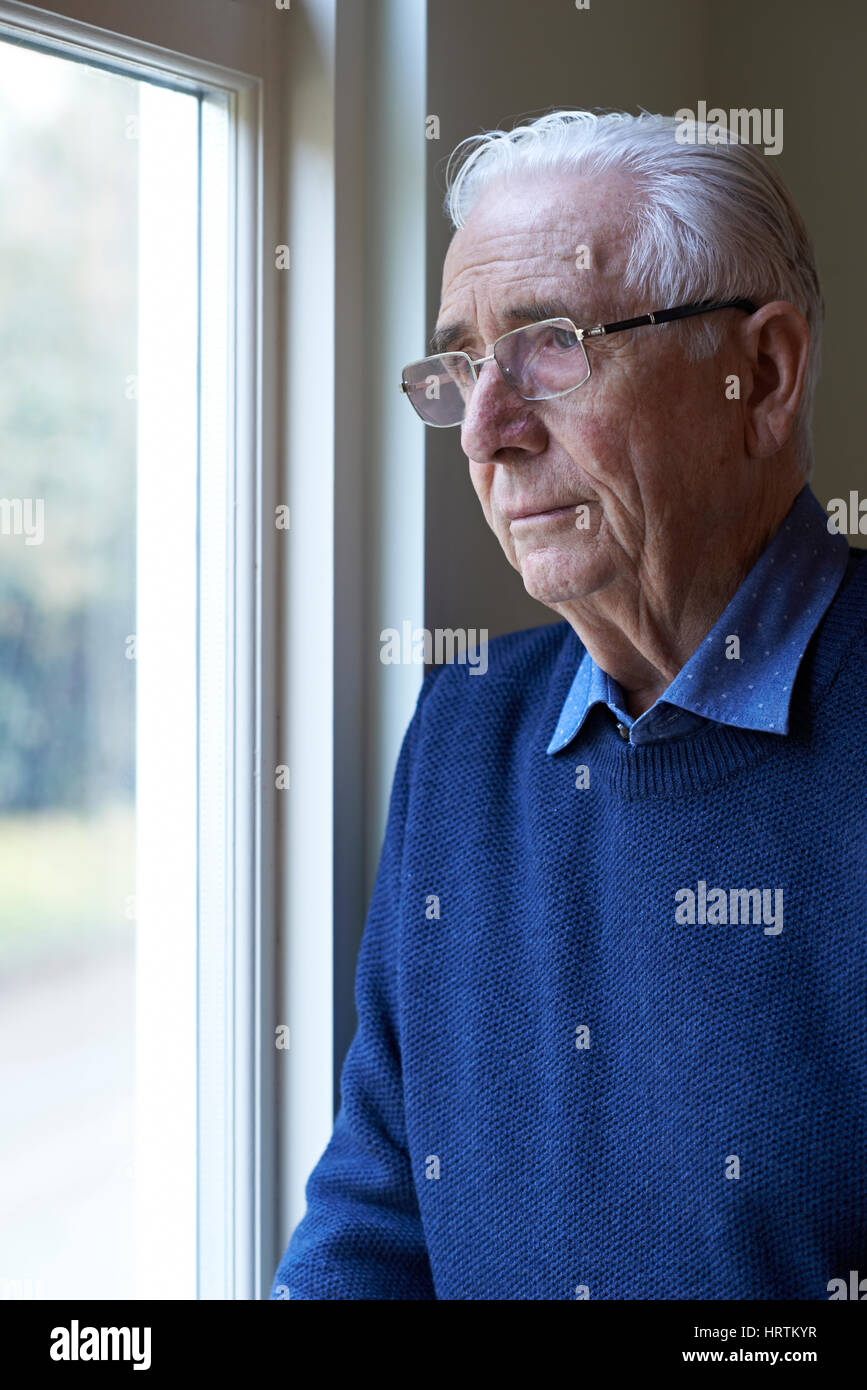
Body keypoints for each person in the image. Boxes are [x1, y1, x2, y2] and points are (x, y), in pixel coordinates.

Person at [272, 110, 867, 1300]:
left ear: (767, 375)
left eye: (550, 346)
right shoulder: (464, 730)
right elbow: (376, 1215)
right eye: (458, 369)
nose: (487, 431)